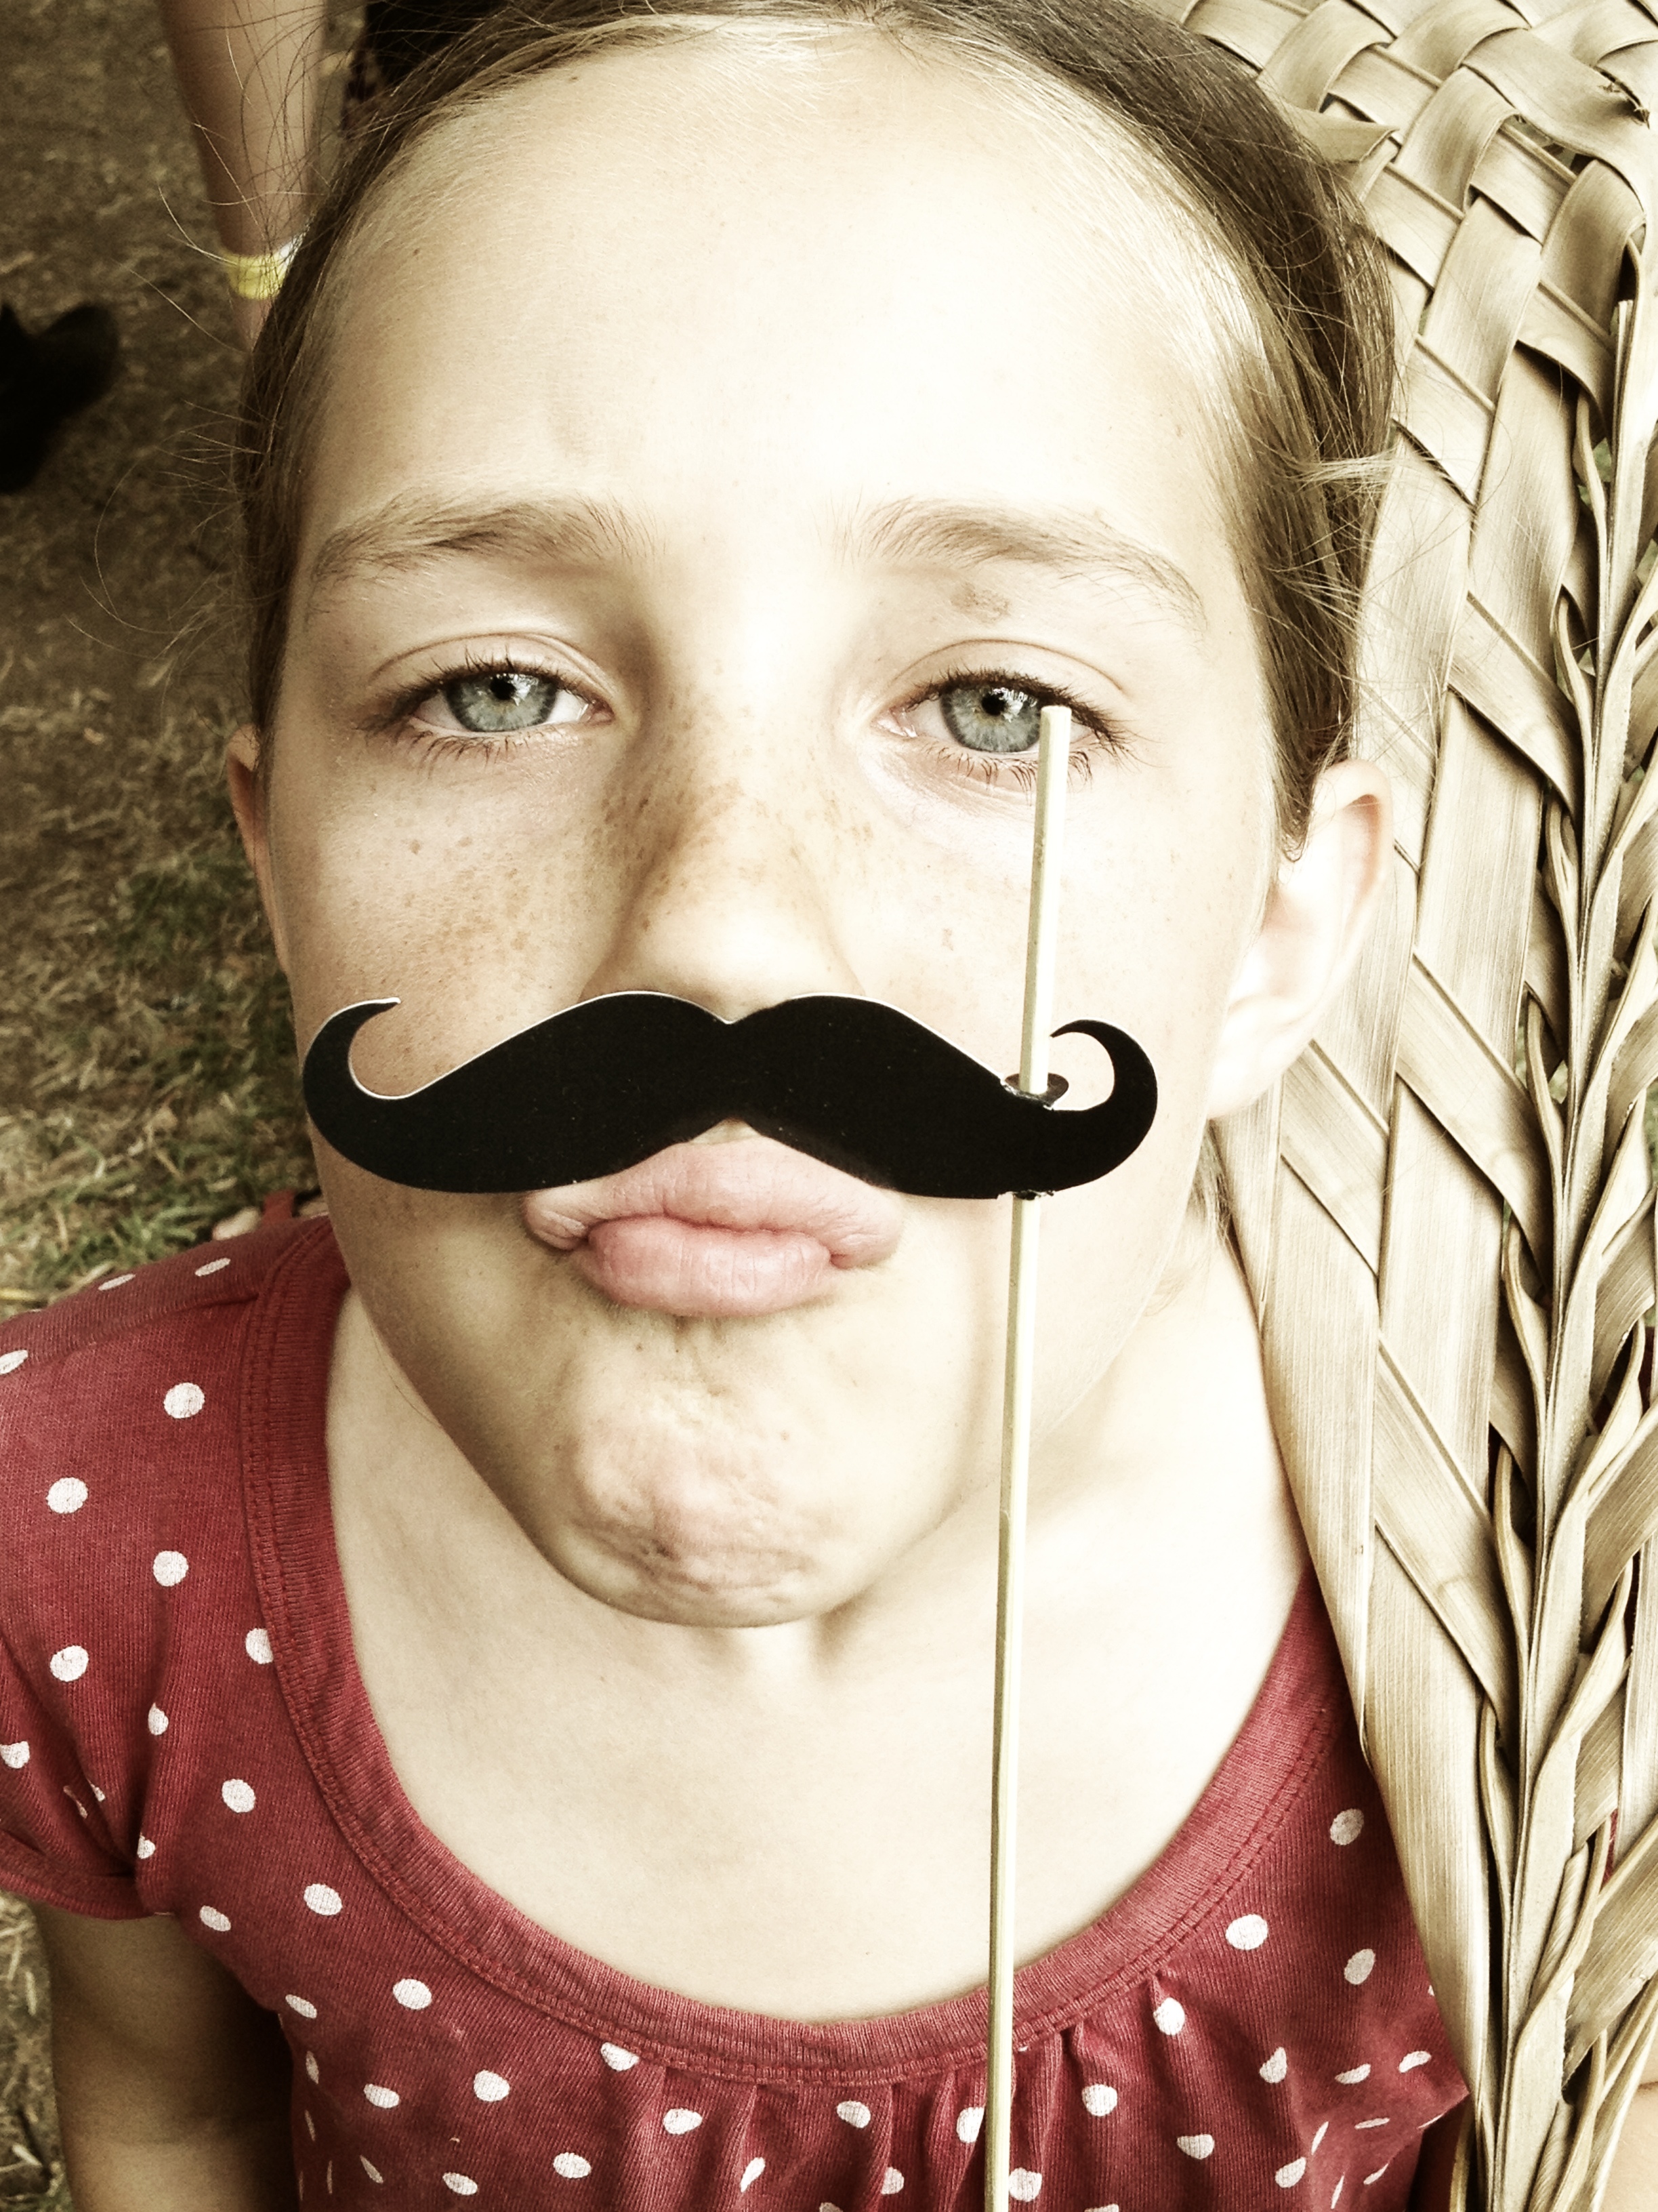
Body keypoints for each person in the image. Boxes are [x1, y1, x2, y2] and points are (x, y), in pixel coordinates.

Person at [0, 0, 1648, 2203]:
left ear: (1283, 923)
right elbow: (177, 2113)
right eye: (494, 688)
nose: (722, 929)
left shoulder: (1541, 1633)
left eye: (997, 703)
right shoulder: (95, 1532)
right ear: (280, 857)